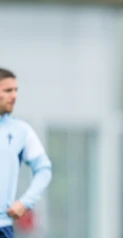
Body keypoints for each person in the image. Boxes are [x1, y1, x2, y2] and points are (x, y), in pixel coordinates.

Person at [0, 68, 52, 238]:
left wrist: (25, 202)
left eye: (16, 90)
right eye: (7, 90)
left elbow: (44, 169)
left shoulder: (21, 131)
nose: (14, 96)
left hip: (3, 226)